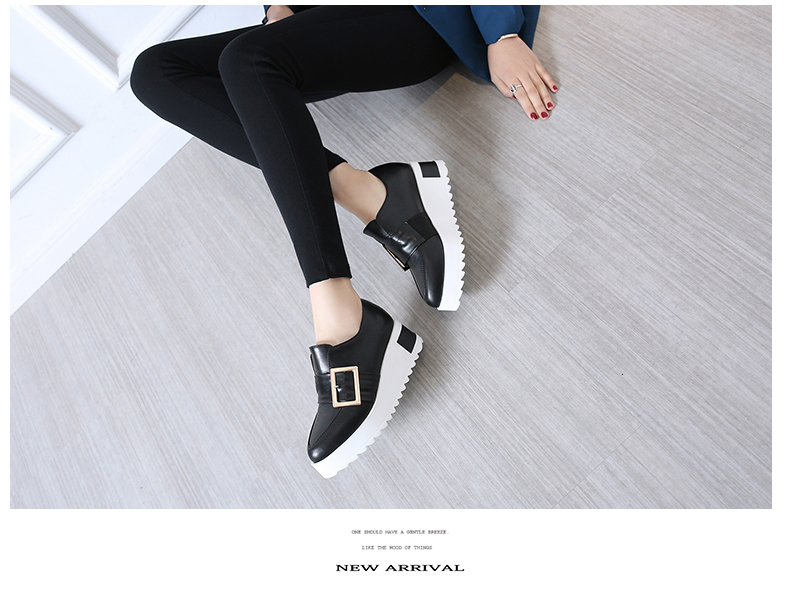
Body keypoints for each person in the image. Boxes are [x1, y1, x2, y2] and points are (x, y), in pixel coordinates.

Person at [130, 5, 557, 478]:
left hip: (418, 17)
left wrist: (501, 33)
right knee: (155, 72)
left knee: (247, 61)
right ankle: (370, 194)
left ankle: (339, 315)